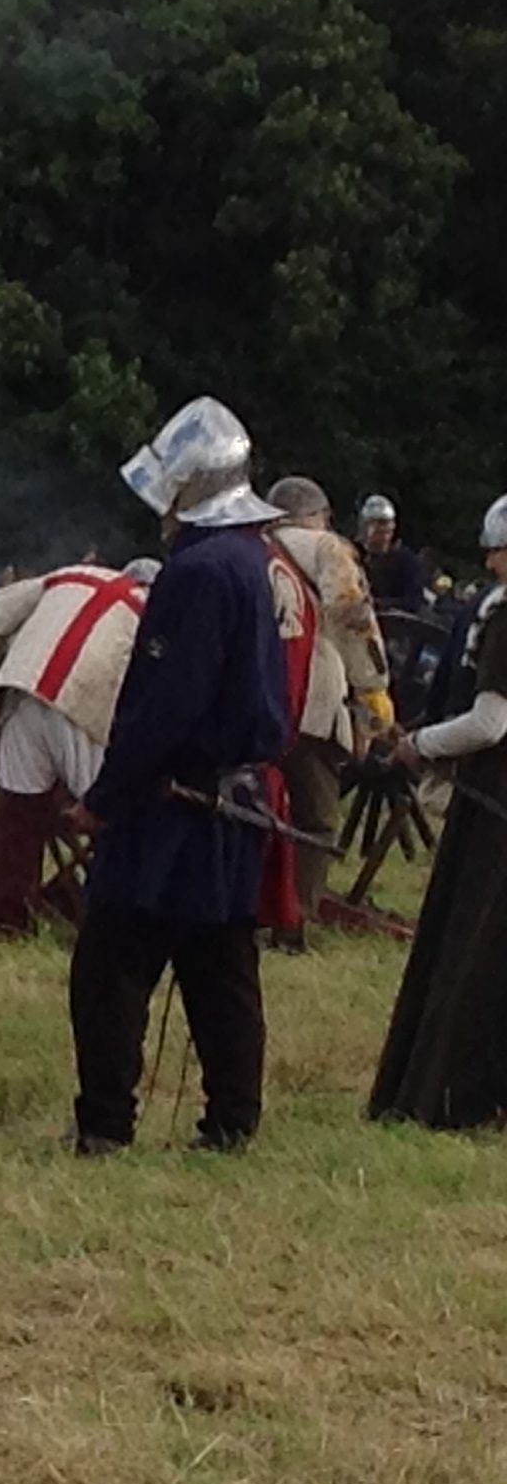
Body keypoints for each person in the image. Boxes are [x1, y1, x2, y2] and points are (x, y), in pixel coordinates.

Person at [66, 398, 290, 1155]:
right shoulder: (248, 560)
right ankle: (232, 1123)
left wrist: (106, 800)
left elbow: (164, 709)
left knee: (111, 965)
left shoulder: (197, 572)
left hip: (177, 804)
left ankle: (104, 1126)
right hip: (230, 796)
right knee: (220, 965)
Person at [371, 495, 507, 1125]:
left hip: (496, 806)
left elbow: (489, 723)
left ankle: (460, 1098)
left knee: (478, 952)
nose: (491, 558)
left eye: (498, 548)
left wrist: (419, 745)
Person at [0, 558, 158, 934]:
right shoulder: (152, 611)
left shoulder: (68, 577)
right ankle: (111, 917)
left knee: (17, 815)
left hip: (21, 693)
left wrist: (0, 667)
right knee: (109, 816)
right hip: (82, 707)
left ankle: (6, 922)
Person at [266, 476, 394, 945]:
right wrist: (375, 695)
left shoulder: (246, 546)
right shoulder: (328, 548)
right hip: (309, 701)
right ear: (318, 515)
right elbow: (351, 617)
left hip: (253, 697)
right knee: (316, 816)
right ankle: (292, 920)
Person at [357, 494, 429, 611]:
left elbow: (413, 602)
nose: (379, 529)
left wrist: (380, 605)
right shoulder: (352, 556)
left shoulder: (407, 562)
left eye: (384, 524)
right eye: (374, 523)